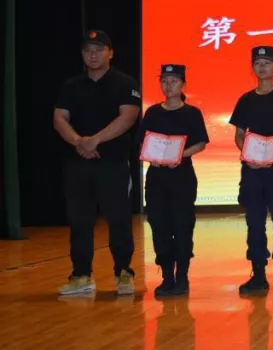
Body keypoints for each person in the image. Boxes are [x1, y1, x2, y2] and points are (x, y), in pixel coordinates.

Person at [53, 30, 142, 296]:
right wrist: (79, 141)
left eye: (99, 50)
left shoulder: (124, 83)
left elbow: (128, 116)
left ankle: (123, 273)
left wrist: (95, 141)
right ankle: (81, 275)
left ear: (110, 53)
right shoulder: (71, 85)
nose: (93, 55)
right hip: (77, 163)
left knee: (118, 219)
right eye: (88, 50)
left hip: (113, 164)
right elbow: (59, 118)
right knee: (79, 220)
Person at [229, 45, 273, 296]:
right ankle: (258, 274)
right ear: (253, 68)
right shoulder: (245, 100)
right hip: (252, 168)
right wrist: (248, 154)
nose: (262, 67)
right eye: (258, 63)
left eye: (267, 63)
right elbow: (239, 135)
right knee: (254, 221)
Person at [137, 64, 210, 297]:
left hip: (182, 176)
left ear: (183, 84)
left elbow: (201, 143)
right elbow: (142, 142)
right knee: (159, 224)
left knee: (182, 225)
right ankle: (167, 276)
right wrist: (151, 155)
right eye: (164, 81)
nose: (168, 86)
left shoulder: (192, 113)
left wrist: (180, 155)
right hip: (156, 177)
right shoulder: (152, 112)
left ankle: (182, 276)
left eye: (174, 81)